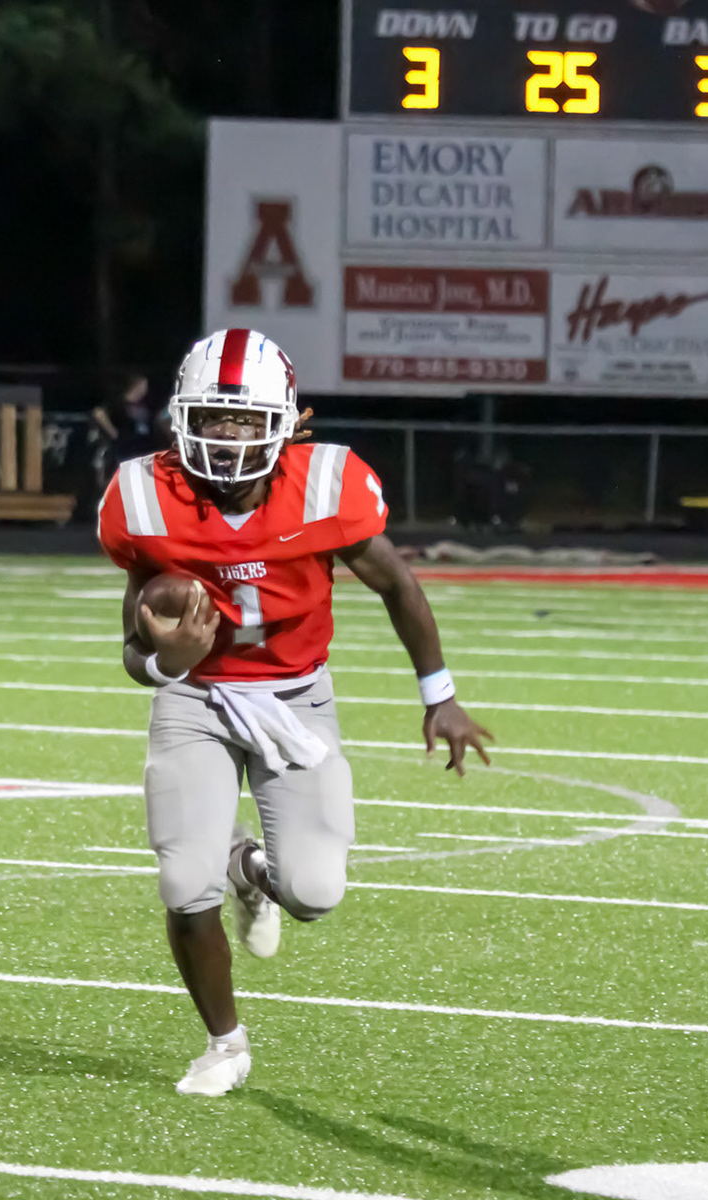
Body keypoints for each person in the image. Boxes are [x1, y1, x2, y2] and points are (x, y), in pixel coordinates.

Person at [97, 328, 493, 1098]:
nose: (227, 435)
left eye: (245, 419)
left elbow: (398, 585)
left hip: (296, 698)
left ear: (288, 422)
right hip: (197, 699)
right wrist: (167, 661)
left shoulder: (324, 486)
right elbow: (133, 652)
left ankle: (248, 869)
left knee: (313, 893)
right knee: (183, 883)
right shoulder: (145, 497)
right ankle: (224, 1045)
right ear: (182, 419)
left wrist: (439, 695)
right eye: (213, 417)